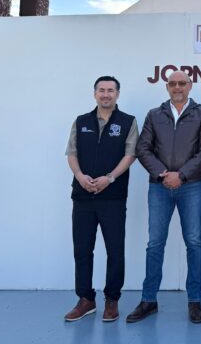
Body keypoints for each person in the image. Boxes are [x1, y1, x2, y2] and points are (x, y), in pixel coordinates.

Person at [127, 70, 201, 324]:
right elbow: (143, 147)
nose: (177, 87)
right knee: (155, 243)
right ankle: (148, 300)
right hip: (159, 186)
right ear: (167, 87)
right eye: (173, 83)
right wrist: (162, 173)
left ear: (190, 86)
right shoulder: (155, 114)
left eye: (182, 83)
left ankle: (195, 301)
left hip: (191, 186)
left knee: (194, 242)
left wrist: (182, 175)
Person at [64, 76, 138, 323]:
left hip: (113, 197)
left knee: (115, 250)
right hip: (83, 196)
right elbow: (71, 152)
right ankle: (85, 299)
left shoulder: (128, 122)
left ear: (118, 94)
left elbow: (131, 155)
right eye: (101, 90)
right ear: (95, 93)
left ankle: (112, 299)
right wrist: (79, 175)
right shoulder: (81, 121)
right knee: (82, 250)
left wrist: (110, 178)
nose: (106, 94)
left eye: (110, 90)